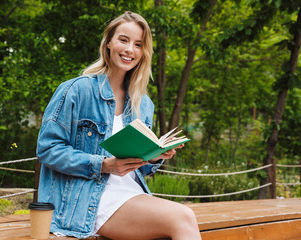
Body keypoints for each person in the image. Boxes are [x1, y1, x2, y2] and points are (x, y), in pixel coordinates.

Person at [37, 11, 201, 240]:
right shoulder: (76, 90)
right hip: (85, 201)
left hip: (131, 194)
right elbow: (47, 148)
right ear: (108, 44)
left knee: (180, 222)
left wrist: (154, 156)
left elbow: (139, 167)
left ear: (144, 52)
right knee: (183, 217)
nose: (129, 50)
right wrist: (103, 165)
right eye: (123, 40)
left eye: (138, 44)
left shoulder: (143, 103)